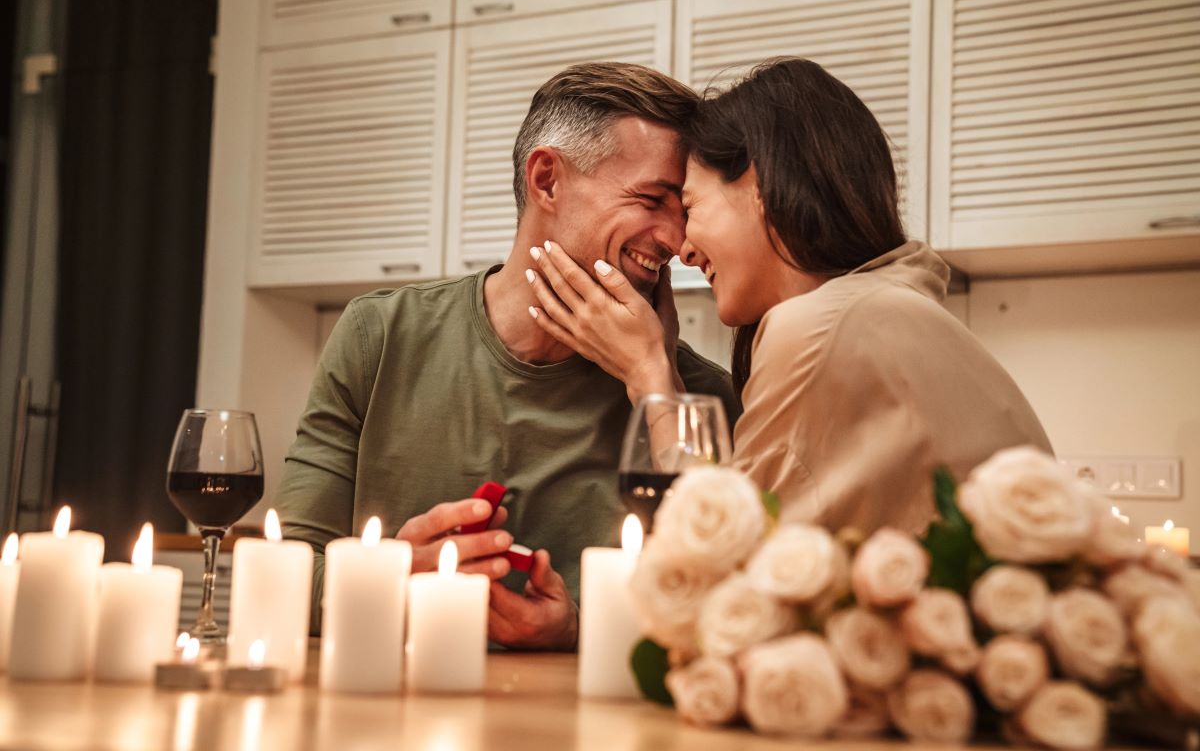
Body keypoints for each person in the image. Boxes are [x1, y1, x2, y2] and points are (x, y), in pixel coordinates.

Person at [276, 62, 740, 650]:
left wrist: (657, 385)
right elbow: (284, 575)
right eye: (652, 200)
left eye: (686, 210)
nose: (676, 241)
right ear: (547, 180)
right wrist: (391, 578)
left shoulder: (699, 402)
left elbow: (721, 618)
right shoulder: (381, 335)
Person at [526, 57, 1051, 535]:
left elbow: (726, 561)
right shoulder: (883, 308)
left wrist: (650, 374)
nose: (682, 249)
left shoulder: (820, 328)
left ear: (758, 185)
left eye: (691, 206)